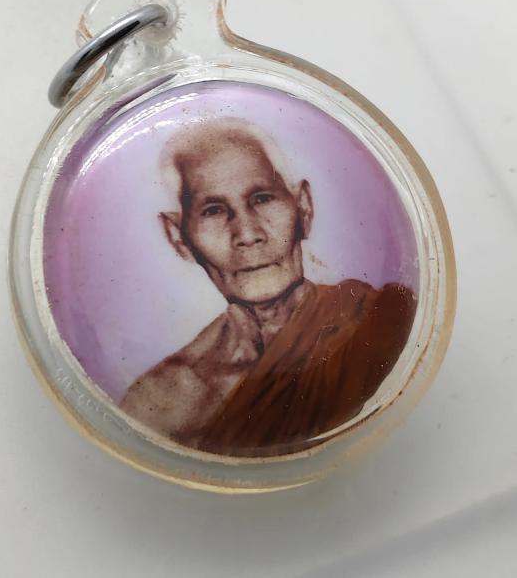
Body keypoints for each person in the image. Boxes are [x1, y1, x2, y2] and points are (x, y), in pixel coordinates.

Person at [120, 118, 417, 456]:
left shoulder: (373, 320)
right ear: (179, 238)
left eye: (262, 199)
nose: (248, 234)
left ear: (303, 208)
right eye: (214, 210)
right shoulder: (163, 401)